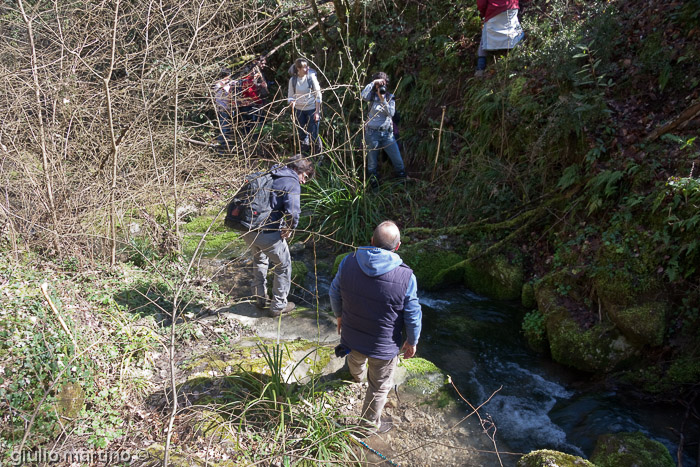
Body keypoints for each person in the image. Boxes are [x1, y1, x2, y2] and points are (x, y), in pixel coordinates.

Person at [329, 221, 422, 434]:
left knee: (354, 358)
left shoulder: (347, 262)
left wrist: (339, 315)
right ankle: (368, 426)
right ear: (397, 247)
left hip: (351, 336)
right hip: (383, 346)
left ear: (371, 241)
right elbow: (413, 315)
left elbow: (334, 292)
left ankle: (356, 377)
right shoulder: (406, 276)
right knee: (379, 387)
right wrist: (412, 341)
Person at [242, 155, 315, 317]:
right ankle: (278, 306)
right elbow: (294, 212)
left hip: (247, 228)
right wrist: (289, 228)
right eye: (305, 176)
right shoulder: (291, 182)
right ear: (297, 170)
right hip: (266, 232)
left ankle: (260, 297)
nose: (304, 181)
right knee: (283, 265)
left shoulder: (270, 173)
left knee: (259, 259)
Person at [361, 72, 406, 184]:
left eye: (383, 84)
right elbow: (362, 95)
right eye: (379, 84)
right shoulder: (371, 97)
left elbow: (391, 113)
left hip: (387, 134)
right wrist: (373, 83)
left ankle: (401, 181)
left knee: (398, 161)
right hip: (372, 134)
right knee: (372, 163)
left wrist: (383, 100)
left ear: (387, 84)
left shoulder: (390, 98)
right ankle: (373, 184)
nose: (381, 87)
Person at [475, 0, 525, 77]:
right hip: (511, 7)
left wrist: (484, 14)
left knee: (485, 38)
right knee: (517, 35)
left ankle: (480, 68)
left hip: (493, 11)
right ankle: (520, 62)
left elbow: (481, 4)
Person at [287, 58, 322, 155]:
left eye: (307, 66)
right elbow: (290, 95)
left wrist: (317, 112)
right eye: (305, 67)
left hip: (312, 109)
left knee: (313, 135)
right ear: (298, 69)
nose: (307, 69)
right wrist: (291, 102)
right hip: (299, 110)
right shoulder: (293, 80)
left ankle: (316, 156)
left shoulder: (311, 78)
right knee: (301, 135)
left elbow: (318, 95)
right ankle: (304, 156)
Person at [232, 58, 269, 135]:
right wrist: (259, 102)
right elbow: (251, 93)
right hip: (248, 105)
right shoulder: (247, 82)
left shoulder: (241, 80)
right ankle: (250, 137)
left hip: (241, 104)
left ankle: (245, 136)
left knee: (244, 123)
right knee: (249, 122)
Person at [213, 68, 234, 152]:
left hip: (229, 109)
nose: (229, 78)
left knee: (229, 130)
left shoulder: (227, 84)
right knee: (224, 129)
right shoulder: (218, 86)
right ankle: (220, 148)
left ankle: (227, 148)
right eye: (228, 76)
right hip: (222, 110)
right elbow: (220, 99)